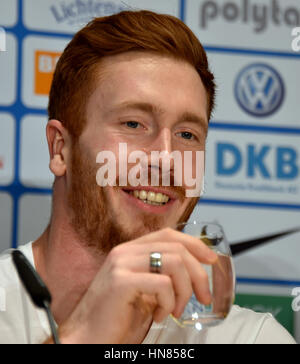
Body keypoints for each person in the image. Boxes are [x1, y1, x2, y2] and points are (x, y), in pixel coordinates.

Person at [0, 10, 296, 344]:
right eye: (133, 124)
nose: (166, 159)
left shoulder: (251, 339)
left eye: (187, 134)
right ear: (60, 149)